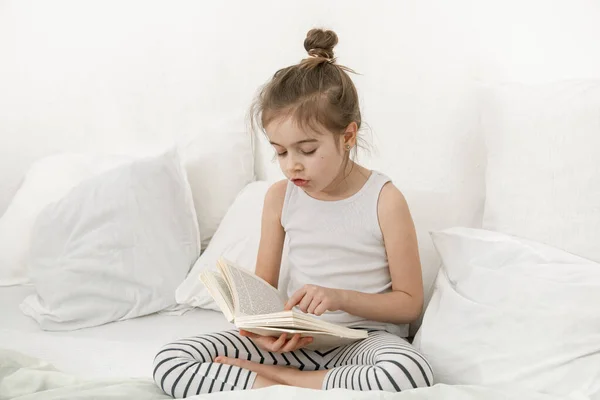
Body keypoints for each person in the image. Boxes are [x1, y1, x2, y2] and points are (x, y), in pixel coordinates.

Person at [153, 28, 433, 397]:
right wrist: (263, 331)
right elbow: (263, 294)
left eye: (306, 150)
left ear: (348, 136)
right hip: (296, 345)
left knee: (408, 372)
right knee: (171, 359)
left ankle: (277, 383)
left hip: (364, 345)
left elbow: (409, 304)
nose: (292, 166)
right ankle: (297, 382)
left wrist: (338, 298)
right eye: (281, 152)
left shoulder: (384, 199)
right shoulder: (279, 198)